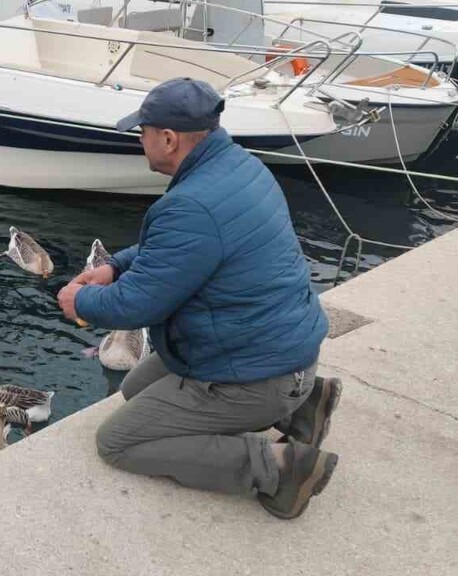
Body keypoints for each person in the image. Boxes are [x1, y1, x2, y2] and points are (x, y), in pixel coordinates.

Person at [57, 78, 342, 519]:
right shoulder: (241, 167)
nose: (140, 140)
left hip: (260, 374)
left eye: (142, 132)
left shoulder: (192, 205)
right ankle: (306, 407)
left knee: (118, 440)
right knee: (133, 389)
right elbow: (181, 249)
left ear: (168, 139)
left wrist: (79, 301)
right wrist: (115, 266)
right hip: (282, 352)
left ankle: (282, 469)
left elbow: (136, 305)